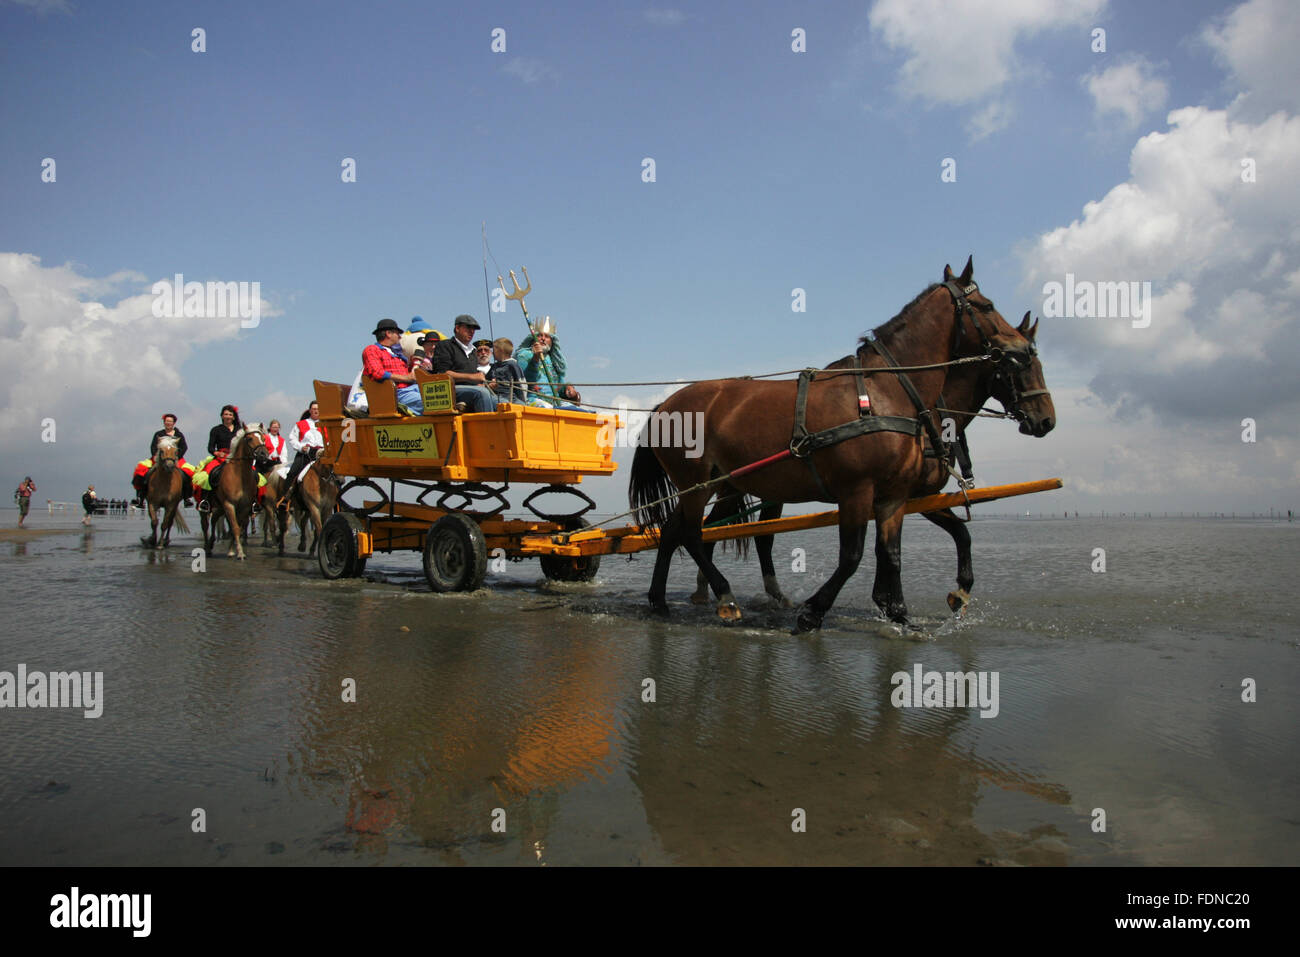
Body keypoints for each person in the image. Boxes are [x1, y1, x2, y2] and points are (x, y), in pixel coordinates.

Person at [514, 316, 587, 411]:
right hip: (531, 400)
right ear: (533, 338)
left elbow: (559, 387)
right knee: (547, 408)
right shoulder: (524, 355)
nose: (543, 339)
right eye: (539, 335)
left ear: (552, 342)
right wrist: (535, 359)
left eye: (547, 336)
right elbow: (522, 381)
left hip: (555, 402)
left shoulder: (555, 360)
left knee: (580, 411)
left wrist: (567, 388)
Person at [431, 315, 499, 413]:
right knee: (482, 393)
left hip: (471, 390)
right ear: (457, 328)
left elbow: (474, 379)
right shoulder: (445, 346)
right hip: (449, 390)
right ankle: (486, 427)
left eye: (474, 329)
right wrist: (472, 377)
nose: (472, 331)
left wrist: (482, 384)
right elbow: (442, 374)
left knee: (502, 401)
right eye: (468, 327)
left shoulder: (473, 352)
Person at [133, 413, 195, 507]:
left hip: (176, 459)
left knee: (188, 474)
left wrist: (177, 456)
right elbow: (153, 447)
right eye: (167, 421)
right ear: (164, 422)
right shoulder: (158, 434)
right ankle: (140, 498)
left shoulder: (179, 434)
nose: (168, 423)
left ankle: (187, 498)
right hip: (159, 459)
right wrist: (156, 456)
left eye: (170, 421)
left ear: (174, 423)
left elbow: (184, 447)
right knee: (142, 472)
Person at [363, 318, 424, 414]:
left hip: (412, 389)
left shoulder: (397, 354)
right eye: (397, 333)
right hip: (396, 393)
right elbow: (377, 372)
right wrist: (406, 378)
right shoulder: (372, 349)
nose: (399, 337)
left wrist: (414, 366)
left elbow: (408, 375)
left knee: (444, 397)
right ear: (388, 333)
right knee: (434, 403)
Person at [192, 404, 243, 512]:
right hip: (221, 457)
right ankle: (205, 501)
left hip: (236, 458)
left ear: (233, 417)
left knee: (254, 475)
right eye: (225, 414)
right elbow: (210, 447)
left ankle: (254, 502)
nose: (228, 416)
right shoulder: (216, 430)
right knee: (208, 474)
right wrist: (216, 453)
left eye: (230, 414)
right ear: (222, 416)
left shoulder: (240, 430)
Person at [281, 401, 328, 506]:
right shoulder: (301, 424)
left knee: (336, 476)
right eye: (314, 409)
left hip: (321, 455)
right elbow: (292, 439)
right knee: (293, 472)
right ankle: (285, 499)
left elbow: (329, 441)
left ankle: (336, 502)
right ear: (310, 410)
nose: (316, 411)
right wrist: (301, 447)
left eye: (318, 409)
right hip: (305, 454)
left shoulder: (325, 425)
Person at [486, 337, 529, 404]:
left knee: (521, 405)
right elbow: (485, 381)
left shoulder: (512, 365)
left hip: (511, 398)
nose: (492, 352)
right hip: (495, 397)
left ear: (500, 350)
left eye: (494, 350)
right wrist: (489, 385)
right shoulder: (493, 367)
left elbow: (521, 384)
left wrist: (524, 400)